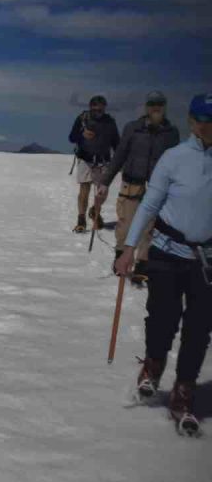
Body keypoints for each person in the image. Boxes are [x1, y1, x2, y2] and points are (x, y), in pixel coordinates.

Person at [115, 93, 212, 434]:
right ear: (192, 121)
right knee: (162, 318)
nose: (209, 126)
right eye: (204, 119)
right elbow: (149, 204)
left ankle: (183, 391)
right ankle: (153, 367)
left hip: (206, 260)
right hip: (167, 252)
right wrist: (128, 249)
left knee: (199, 329)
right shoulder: (174, 158)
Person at [96, 91, 180, 284]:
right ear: (146, 107)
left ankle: (142, 263)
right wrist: (105, 182)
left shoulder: (171, 133)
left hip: (157, 187)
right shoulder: (133, 128)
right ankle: (120, 255)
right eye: (152, 104)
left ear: (165, 106)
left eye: (159, 103)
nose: (155, 107)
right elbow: (119, 156)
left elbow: (176, 163)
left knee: (149, 228)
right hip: (132, 184)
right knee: (126, 223)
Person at [67, 95, 119, 233]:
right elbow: (72, 137)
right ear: (90, 107)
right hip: (85, 158)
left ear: (104, 109)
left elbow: (116, 142)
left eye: (100, 110)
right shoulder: (82, 119)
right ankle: (81, 220)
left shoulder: (110, 122)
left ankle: (95, 211)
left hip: (103, 160)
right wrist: (82, 135)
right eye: (95, 110)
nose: (98, 113)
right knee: (84, 189)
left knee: (102, 192)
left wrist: (119, 159)